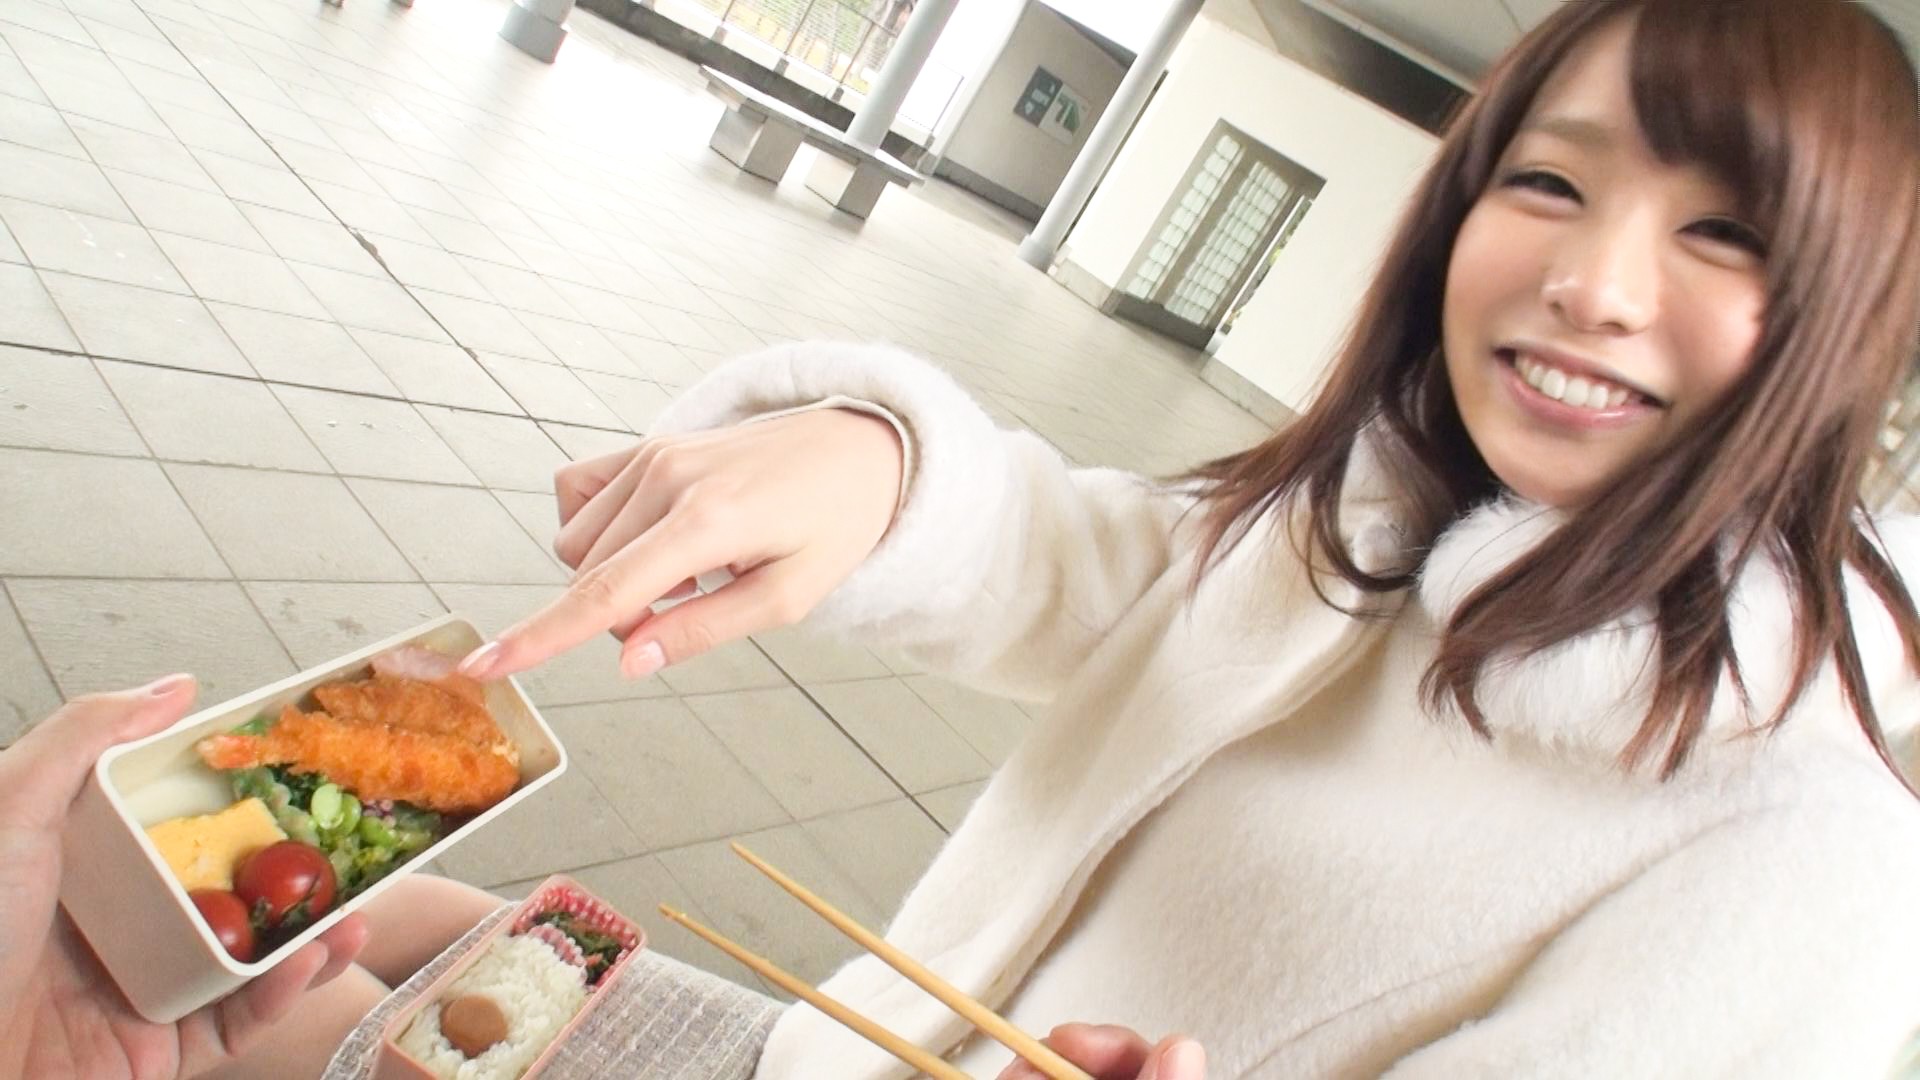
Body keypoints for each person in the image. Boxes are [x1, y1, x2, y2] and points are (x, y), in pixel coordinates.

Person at [12, 0, 1920, 1076]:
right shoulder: (1378, 527)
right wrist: (872, 463)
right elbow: (1077, 558)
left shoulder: (1811, 861)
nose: (1593, 282)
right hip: (826, 1059)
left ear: (1851, 310)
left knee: (286, 1021)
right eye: (1550, 183)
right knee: (366, 943)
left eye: (1723, 233)